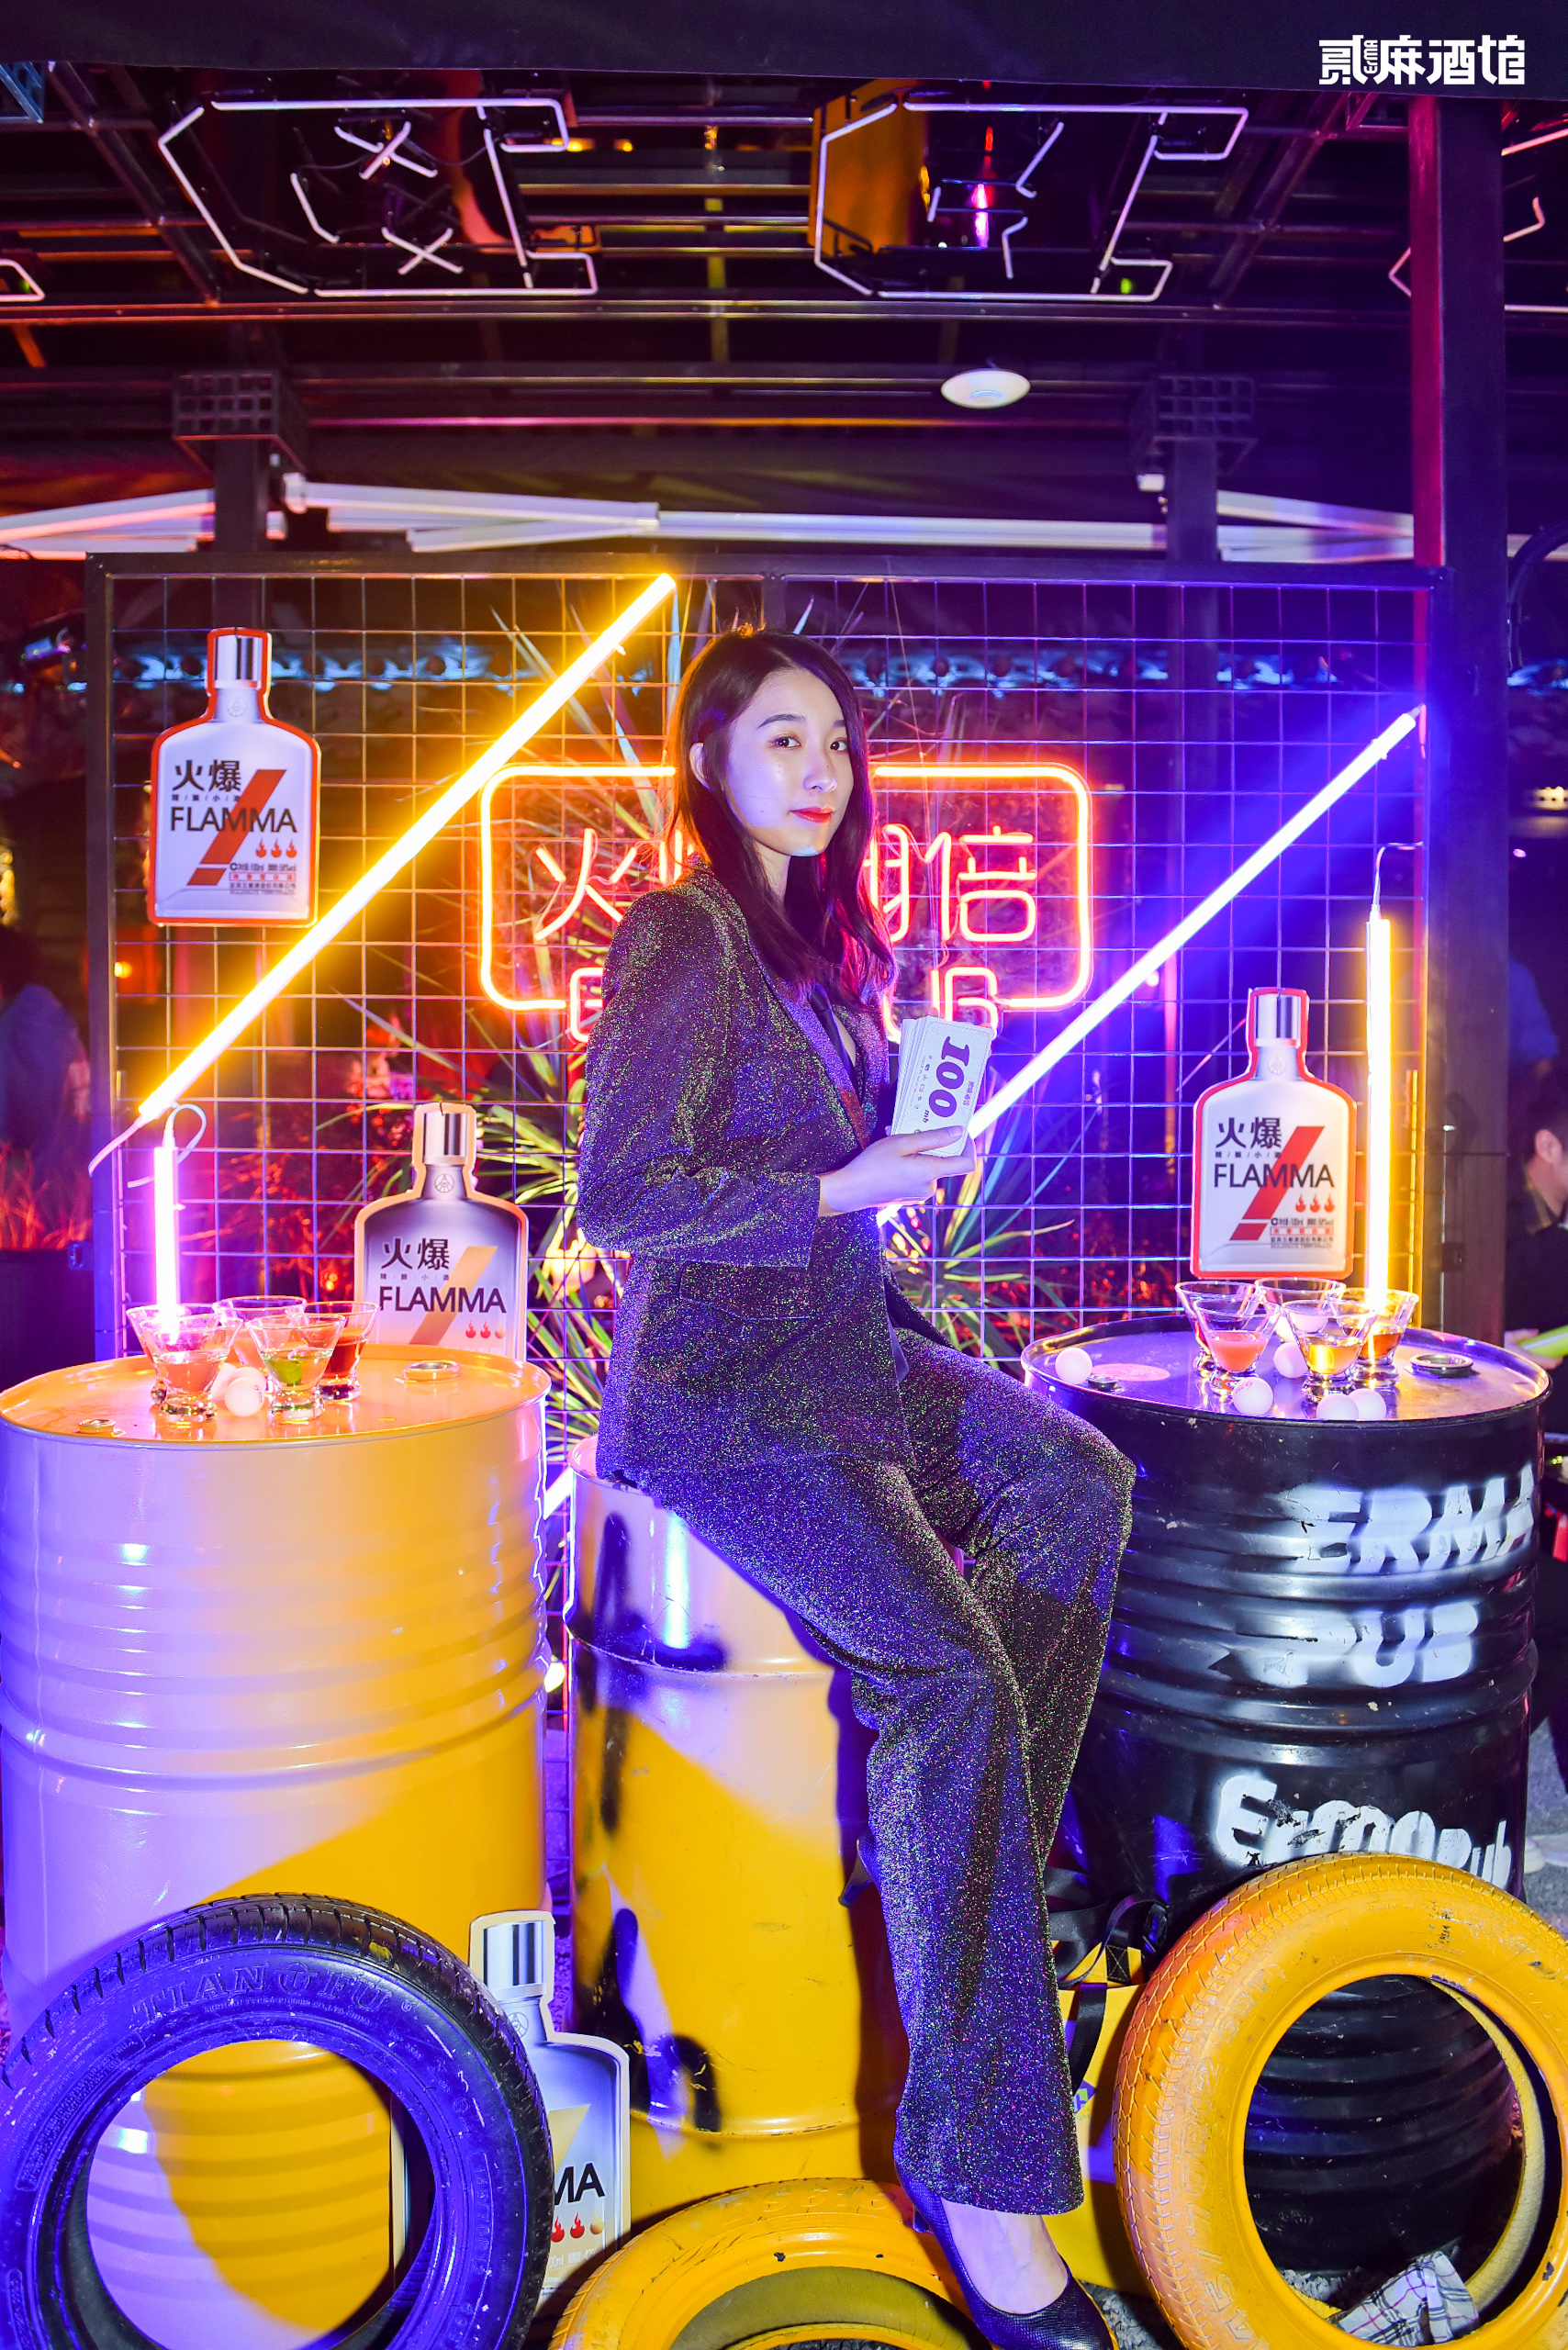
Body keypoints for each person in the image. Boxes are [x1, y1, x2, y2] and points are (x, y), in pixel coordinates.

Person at [577, 628, 1133, 2350]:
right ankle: (981, 2176)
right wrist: (841, 1186)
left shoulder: (822, 956)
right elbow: (621, 1198)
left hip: (850, 1354)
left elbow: (829, 1181)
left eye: (834, 742)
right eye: (781, 739)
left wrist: (900, 1157)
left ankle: (959, 1887)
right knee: (950, 1684)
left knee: (1075, 1480)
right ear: (709, 761)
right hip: (728, 1398)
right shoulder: (682, 933)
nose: (819, 769)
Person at [0, 925, 89, 1177]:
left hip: (34, 1187)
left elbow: (20, 1134)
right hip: (55, 1183)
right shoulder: (39, 1019)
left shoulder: (25, 1027)